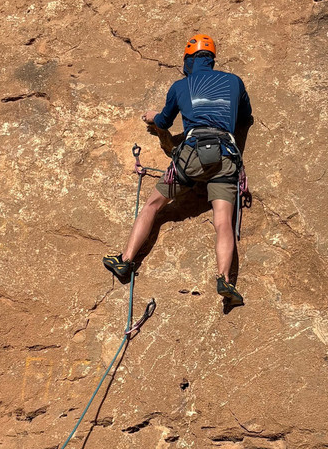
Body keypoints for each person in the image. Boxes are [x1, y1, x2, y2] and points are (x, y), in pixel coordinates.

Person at [103, 33, 253, 307]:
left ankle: (125, 260)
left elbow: (163, 121)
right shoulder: (233, 81)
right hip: (225, 156)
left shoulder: (181, 87)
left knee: (152, 206)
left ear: (188, 60)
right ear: (212, 60)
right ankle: (224, 279)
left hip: (192, 155)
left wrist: (152, 117)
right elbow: (245, 116)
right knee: (222, 222)